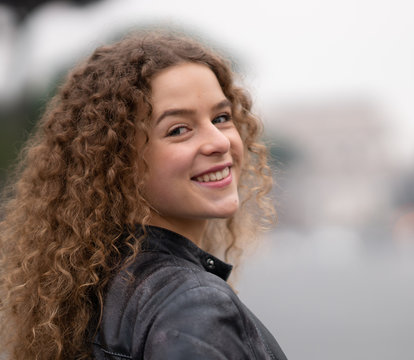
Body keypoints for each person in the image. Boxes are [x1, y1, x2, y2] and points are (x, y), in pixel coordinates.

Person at [0, 30, 287, 360]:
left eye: (220, 118)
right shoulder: (194, 305)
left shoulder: (91, 289)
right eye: (178, 129)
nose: (219, 142)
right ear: (116, 160)